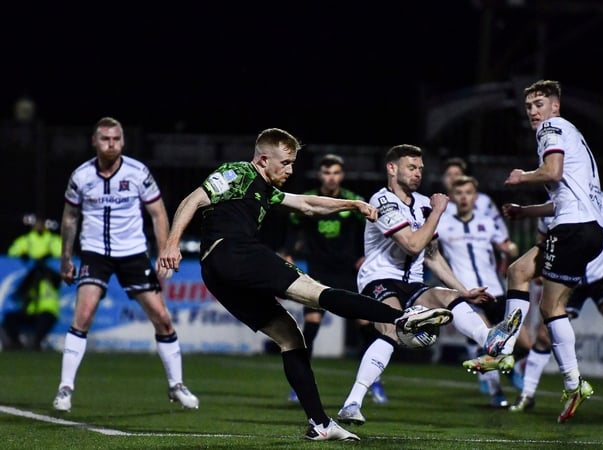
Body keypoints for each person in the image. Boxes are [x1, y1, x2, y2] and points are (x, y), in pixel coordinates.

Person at [158, 129, 454, 442]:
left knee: (290, 338)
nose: (290, 170)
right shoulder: (239, 172)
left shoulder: (266, 189)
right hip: (234, 252)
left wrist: (351, 205)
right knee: (317, 293)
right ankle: (401, 318)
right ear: (262, 159)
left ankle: (320, 424)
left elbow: (308, 205)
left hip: (215, 272)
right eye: (285, 163)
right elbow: (193, 199)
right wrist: (171, 243)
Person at [336, 144, 521, 426]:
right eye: (411, 167)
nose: (418, 173)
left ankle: (490, 342)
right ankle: (352, 402)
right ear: (392, 168)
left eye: (421, 168)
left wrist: (463, 290)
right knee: (390, 331)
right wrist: (436, 213)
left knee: (449, 298)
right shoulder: (382, 201)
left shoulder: (423, 202)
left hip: (413, 283)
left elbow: (432, 255)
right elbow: (412, 245)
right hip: (379, 279)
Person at [53, 117, 198, 413]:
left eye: (116, 139)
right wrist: (66, 258)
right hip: (94, 253)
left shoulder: (137, 172)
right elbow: (69, 217)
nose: (111, 144)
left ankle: (176, 384)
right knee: (83, 315)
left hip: (133, 254)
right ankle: (65, 388)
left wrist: (164, 252)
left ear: (123, 141)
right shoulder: (81, 176)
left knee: (162, 317)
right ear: (94, 141)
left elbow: (158, 213)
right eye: (105, 138)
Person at [497, 79, 603, 423]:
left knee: (551, 305)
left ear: (555, 106)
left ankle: (570, 381)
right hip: (584, 228)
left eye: (540, 103)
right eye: (529, 106)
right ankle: (505, 345)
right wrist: (524, 211)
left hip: (573, 230)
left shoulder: (551, 128)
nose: (534, 111)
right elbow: (561, 197)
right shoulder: (571, 133)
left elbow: (551, 171)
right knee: (518, 271)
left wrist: (522, 176)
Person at [501, 191, 603, 412]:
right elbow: (541, 242)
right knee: (544, 336)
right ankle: (527, 394)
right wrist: (541, 271)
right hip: (570, 278)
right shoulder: (548, 209)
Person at [281, 154, 386, 404]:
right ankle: (300, 384)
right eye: (327, 173)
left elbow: (372, 231)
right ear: (320, 175)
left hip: (349, 273)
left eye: (336, 173)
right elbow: (292, 233)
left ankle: (376, 382)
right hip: (318, 272)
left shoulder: (353, 202)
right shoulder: (309, 201)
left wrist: (365, 257)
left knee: (364, 326)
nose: (331, 177)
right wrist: (287, 254)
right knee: (310, 328)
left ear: (342, 175)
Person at [437, 175, 520, 407]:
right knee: (485, 339)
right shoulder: (443, 224)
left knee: (519, 342)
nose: (464, 197)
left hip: (496, 290)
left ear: (476, 196)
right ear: (453, 197)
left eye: (469, 193)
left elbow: (506, 246)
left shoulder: (487, 221)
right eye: (459, 193)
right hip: (468, 293)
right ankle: (497, 393)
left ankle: (510, 370)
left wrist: (511, 249)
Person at [2, 215, 62, 350]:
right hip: (30, 309)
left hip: (47, 309)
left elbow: (62, 254)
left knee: (43, 322)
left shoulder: (53, 241)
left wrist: (45, 265)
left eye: (42, 223)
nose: (39, 226)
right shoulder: (27, 240)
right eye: (37, 223)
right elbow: (13, 252)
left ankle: (36, 343)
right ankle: (15, 345)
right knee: (10, 319)